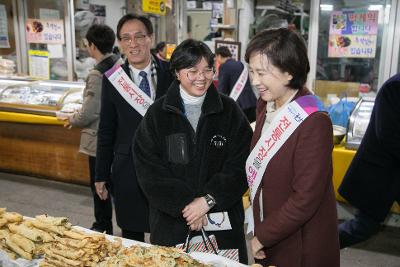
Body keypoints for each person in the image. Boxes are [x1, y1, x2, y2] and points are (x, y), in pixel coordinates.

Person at [133, 39, 252, 263]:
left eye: (208, 69)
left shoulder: (229, 111)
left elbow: (242, 163)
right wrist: (187, 205)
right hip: (173, 224)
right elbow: (148, 169)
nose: (202, 77)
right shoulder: (158, 114)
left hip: (221, 222)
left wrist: (207, 200)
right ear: (177, 73)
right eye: (192, 70)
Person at [245, 28, 340, 266]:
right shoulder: (266, 103)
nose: (255, 81)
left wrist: (261, 238)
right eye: (251, 71)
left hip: (300, 245)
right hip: (272, 232)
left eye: (262, 73)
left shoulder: (314, 121)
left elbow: (305, 198)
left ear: (288, 72)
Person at [95, 14, 174, 241]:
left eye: (139, 36)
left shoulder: (173, 73)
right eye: (126, 38)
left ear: (150, 38)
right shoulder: (112, 80)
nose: (133, 43)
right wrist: (101, 173)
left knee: (167, 236)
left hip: (167, 168)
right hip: (128, 170)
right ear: (119, 43)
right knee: (131, 238)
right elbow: (107, 129)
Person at [61, 24, 121, 235]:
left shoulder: (97, 74)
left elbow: (89, 113)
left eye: (87, 43)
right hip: (118, 137)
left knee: (100, 185)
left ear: (92, 46)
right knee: (116, 185)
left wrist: (71, 118)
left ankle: (102, 225)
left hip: (98, 140)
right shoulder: (119, 63)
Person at [338, 73, 400, 248]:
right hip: (380, 173)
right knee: (362, 227)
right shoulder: (394, 87)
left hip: (393, 173)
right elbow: (388, 135)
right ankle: (315, 249)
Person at [215, 46, 257, 123]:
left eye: (216, 57)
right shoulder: (241, 64)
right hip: (252, 102)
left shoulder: (224, 67)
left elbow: (222, 89)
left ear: (219, 56)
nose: (216, 60)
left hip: (239, 106)